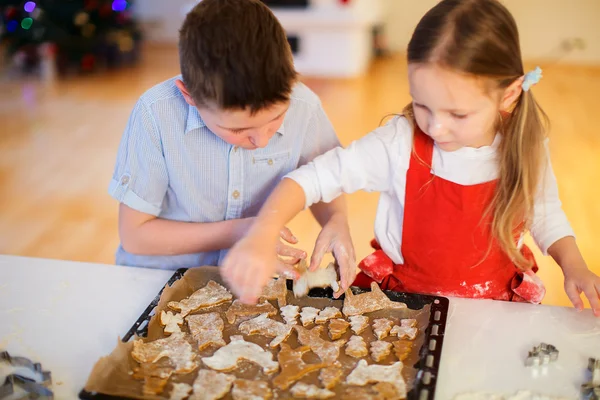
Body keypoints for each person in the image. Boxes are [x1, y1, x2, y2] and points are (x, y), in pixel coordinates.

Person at [221, 0, 600, 317]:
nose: (435, 126)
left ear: (509, 94)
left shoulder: (528, 143)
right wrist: (263, 232)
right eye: (422, 105)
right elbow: (312, 178)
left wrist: (574, 265)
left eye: (457, 114)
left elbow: (545, 212)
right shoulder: (399, 143)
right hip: (407, 306)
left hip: (493, 308)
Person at [108, 0, 347, 273]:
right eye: (238, 130)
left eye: (276, 119)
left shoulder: (304, 106)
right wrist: (244, 230)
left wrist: (337, 219)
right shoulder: (155, 115)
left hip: (247, 276)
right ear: (189, 95)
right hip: (156, 278)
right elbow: (135, 237)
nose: (262, 141)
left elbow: (325, 175)